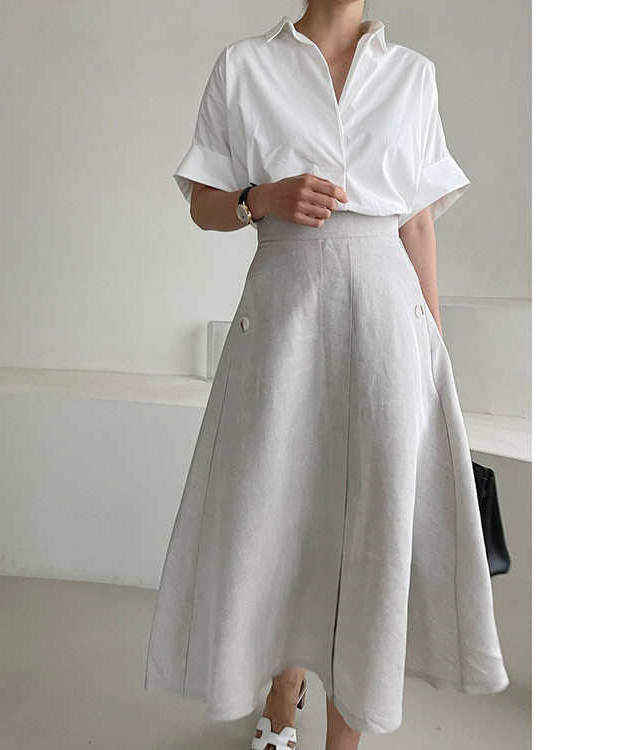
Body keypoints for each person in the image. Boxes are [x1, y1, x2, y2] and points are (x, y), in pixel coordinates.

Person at [143, 2, 510, 749]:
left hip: (388, 320)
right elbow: (204, 204)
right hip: (285, 315)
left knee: (375, 525)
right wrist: (260, 199)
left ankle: (346, 735)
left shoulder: (412, 75)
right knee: (275, 509)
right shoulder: (245, 65)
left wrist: (433, 349)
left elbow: (417, 223)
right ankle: (283, 686)